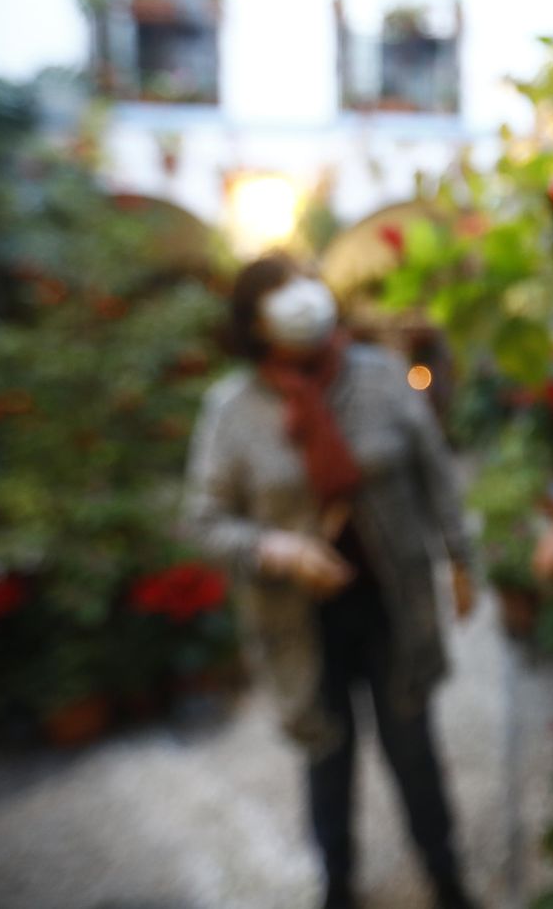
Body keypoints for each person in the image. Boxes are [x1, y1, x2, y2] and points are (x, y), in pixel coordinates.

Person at [183, 253, 479, 909]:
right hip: (298, 621)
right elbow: (203, 521)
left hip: (392, 603)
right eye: (281, 295)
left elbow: (436, 473)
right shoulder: (231, 410)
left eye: (306, 285)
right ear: (255, 323)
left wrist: (460, 560)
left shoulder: (381, 378)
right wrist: (276, 548)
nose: (304, 301)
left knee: (413, 750)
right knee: (327, 757)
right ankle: (338, 883)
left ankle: (447, 876)